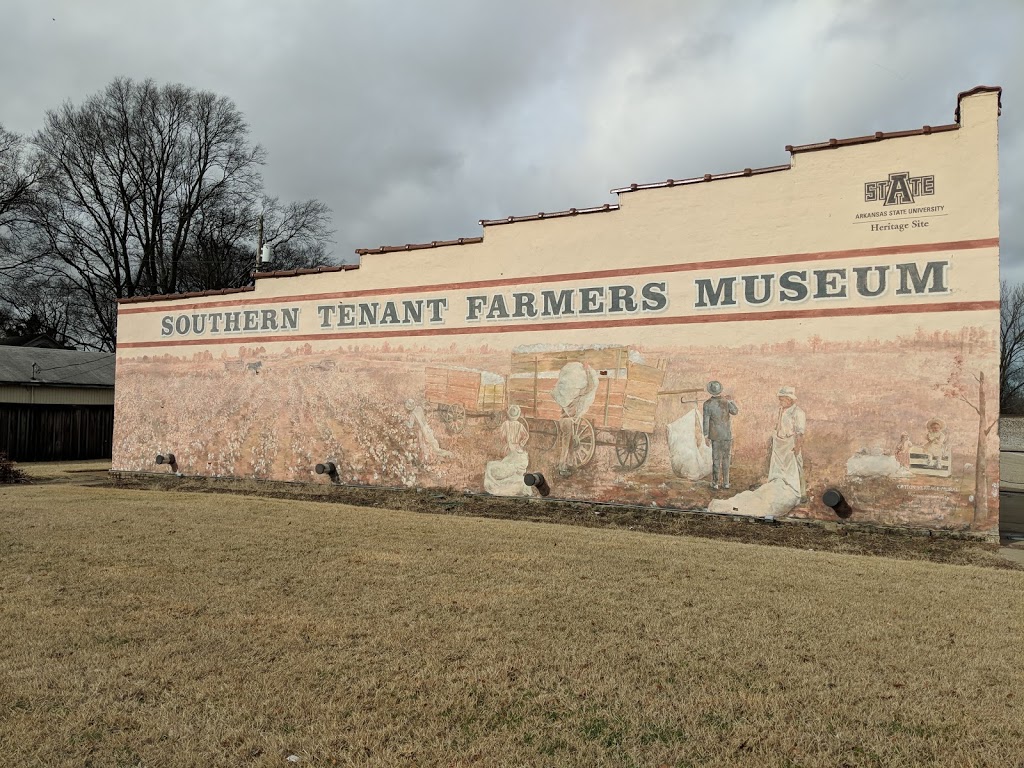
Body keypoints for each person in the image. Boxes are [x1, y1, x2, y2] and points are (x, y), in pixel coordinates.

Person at [483, 405, 533, 497]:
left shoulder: (505, 424)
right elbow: (526, 436)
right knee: (512, 464)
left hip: (508, 447)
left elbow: (501, 436)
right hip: (517, 448)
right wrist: (521, 444)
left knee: (504, 463)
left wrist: (506, 442)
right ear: (517, 415)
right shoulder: (520, 425)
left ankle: (504, 477)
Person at [768, 386, 806, 500]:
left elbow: (800, 432)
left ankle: (802, 493)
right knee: (779, 467)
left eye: (782, 399)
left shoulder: (798, 412)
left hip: (791, 443)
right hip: (780, 443)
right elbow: (778, 425)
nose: (780, 402)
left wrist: (797, 447)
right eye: (780, 399)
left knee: (796, 466)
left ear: (789, 400)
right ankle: (781, 490)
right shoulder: (781, 410)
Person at [702, 380, 739, 490]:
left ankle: (715, 483)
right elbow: (735, 411)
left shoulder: (707, 404)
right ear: (720, 390)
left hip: (715, 436)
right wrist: (731, 401)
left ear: (710, 391)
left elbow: (705, 421)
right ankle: (726, 483)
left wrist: (705, 435)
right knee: (726, 458)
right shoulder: (726, 402)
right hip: (726, 435)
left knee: (716, 459)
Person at [405, 399, 453, 463]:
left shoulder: (412, 414)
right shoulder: (419, 408)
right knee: (431, 444)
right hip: (427, 427)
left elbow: (410, 425)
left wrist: (405, 422)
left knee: (432, 447)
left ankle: (448, 454)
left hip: (423, 430)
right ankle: (443, 455)